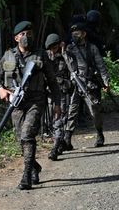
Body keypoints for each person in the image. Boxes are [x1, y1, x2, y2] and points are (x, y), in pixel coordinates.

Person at [0, 21, 61, 190]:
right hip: (16, 103)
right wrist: (1, 89)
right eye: (23, 34)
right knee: (20, 141)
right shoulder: (8, 56)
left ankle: (26, 176)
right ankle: (35, 166)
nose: (26, 37)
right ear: (16, 38)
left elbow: (52, 81)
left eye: (29, 33)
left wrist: (57, 104)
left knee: (27, 135)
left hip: (36, 101)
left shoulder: (40, 55)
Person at [63, 22, 110, 149]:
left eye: (77, 34)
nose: (74, 36)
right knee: (71, 112)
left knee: (94, 110)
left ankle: (99, 134)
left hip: (89, 84)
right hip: (75, 85)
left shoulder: (92, 48)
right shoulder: (69, 49)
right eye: (73, 34)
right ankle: (67, 138)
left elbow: (101, 65)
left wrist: (106, 81)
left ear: (84, 34)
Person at [44, 33, 74, 161]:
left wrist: (64, 52)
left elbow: (72, 70)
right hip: (47, 93)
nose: (53, 50)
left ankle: (55, 148)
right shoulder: (45, 56)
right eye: (51, 47)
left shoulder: (66, 55)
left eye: (55, 47)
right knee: (50, 121)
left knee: (59, 119)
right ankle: (60, 142)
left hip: (61, 92)